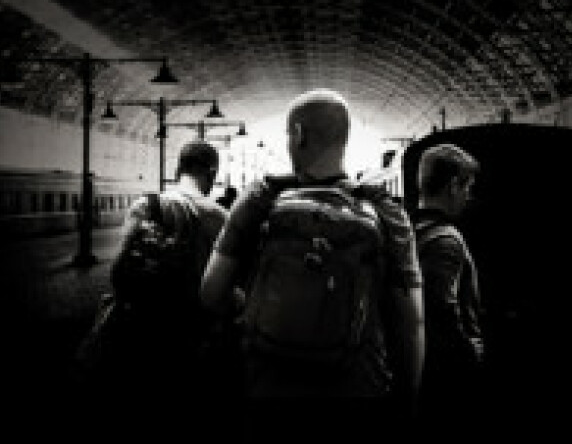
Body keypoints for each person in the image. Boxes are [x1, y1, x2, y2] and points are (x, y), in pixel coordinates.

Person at [200, 89, 425, 439]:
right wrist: (408, 402)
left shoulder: (259, 200)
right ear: (345, 138)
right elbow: (411, 323)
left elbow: (210, 293)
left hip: (269, 391)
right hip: (358, 390)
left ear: (298, 134)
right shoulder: (386, 211)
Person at [79, 139, 228, 408]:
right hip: (190, 337)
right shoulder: (219, 217)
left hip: (139, 333)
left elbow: (119, 273)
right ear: (212, 173)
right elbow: (219, 288)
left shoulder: (146, 205)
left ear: (177, 169)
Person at [412, 144, 484, 423]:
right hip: (445, 375)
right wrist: (468, 352)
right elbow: (441, 307)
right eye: (467, 187)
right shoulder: (445, 239)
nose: (468, 196)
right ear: (453, 186)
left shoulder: (412, 230)